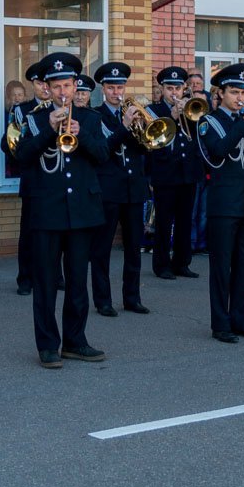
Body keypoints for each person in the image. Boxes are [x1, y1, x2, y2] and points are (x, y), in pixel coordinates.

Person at [13, 52, 108, 368]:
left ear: (76, 85)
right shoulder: (33, 120)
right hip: (47, 213)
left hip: (82, 211)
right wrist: (47, 132)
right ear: (47, 89)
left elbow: (103, 156)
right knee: (45, 283)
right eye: (56, 87)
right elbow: (21, 158)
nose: (63, 92)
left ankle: (75, 341)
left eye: (67, 85)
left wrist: (81, 138)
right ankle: (48, 346)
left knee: (79, 283)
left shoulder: (91, 119)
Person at [197, 63, 244, 342]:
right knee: (221, 267)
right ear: (220, 93)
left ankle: (242, 320)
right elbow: (217, 152)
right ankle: (221, 324)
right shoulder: (209, 122)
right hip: (224, 206)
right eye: (234, 92)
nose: (241, 97)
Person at [89, 61, 152, 317]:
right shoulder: (95, 116)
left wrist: (145, 132)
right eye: (112, 87)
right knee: (102, 248)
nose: (117, 92)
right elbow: (103, 149)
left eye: (121, 86)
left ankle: (132, 297)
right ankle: (103, 300)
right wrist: (124, 126)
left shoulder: (134, 112)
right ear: (103, 89)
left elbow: (146, 147)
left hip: (134, 188)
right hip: (109, 190)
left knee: (134, 246)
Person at [147, 66, 201, 280]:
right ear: (162, 89)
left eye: (178, 88)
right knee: (163, 221)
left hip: (188, 173)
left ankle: (182, 262)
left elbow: (198, 135)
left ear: (184, 89)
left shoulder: (191, 110)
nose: (174, 93)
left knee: (186, 220)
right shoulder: (153, 111)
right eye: (170, 88)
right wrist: (171, 116)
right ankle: (161, 265)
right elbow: (151, 143)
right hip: (165, 174)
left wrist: (187, 115)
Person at [5, 60, 50, 295]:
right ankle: (25, 278)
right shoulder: (22, 110)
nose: (45, 87)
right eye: (40, 83)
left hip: (55, 179)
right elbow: (10, 144)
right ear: (33, 84)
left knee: (56, 230)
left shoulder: (58, 108)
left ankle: (55, 275)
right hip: (33, 178)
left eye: (48, 83)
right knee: (29, 232)